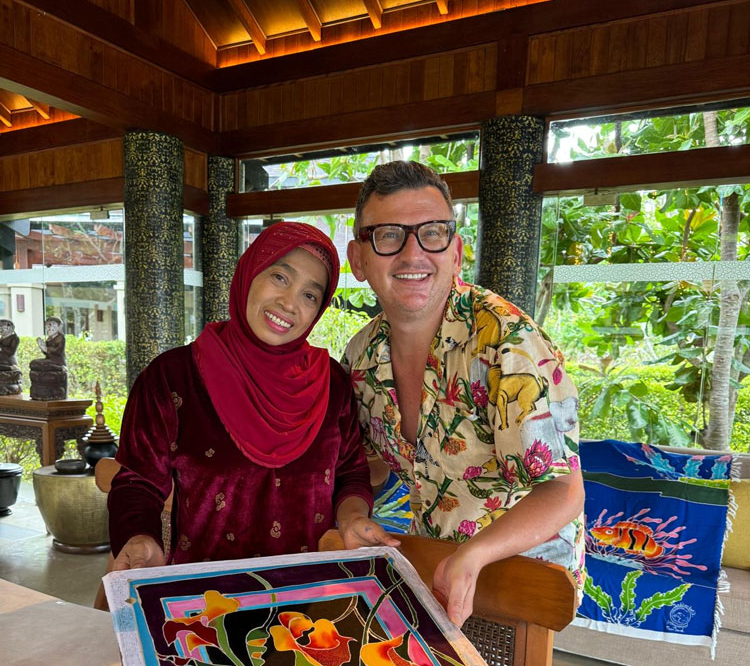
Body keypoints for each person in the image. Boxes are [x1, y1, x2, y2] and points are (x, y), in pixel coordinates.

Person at [341, 161, 585, 627]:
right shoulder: (360, 357)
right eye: (389, 236)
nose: (413, 254)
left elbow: (562, 490)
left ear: (455, 252)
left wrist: (474, 555)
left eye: (432, 233)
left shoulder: (507, 344)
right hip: (433, 559)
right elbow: (366, 468)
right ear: (359, 259)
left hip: (526, 575)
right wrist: (349, 513)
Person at [109, 221, 397, 571]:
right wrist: (140, 539)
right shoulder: (173, 377)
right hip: (204, 594)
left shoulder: (332, 382)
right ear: (249, 273)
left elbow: (350, 472)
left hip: (305, 593)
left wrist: (352, 519)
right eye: (280, 277)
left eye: (310, 295)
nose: (289, 304)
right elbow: (137, 482)